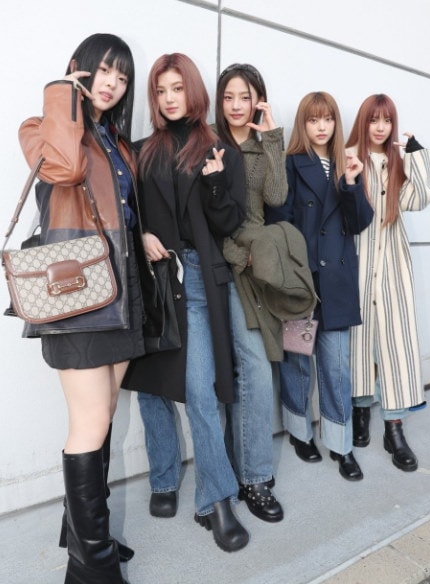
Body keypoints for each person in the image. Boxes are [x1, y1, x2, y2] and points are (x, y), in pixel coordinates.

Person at [18, 33, 143, 583]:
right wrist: (63, 96)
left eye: (122, 75)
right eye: (104, 70)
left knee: (105, 414)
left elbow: (125, 212)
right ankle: (90, 568)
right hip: (76, 295)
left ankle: (86, 532)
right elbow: (66, 170)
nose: (112, 83)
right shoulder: (42, 127)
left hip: (119, 290)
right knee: (89, 422)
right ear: (79, 69)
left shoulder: (115, 141)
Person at [122, 53, 249, 552]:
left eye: (177, 88)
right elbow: (125, 212)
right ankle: (164, 477)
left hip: (195, 279)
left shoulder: (220, 150)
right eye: (161, 90)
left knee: (199, 390)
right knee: (151, 385)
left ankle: (215, 500)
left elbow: (230, 223)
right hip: (153, 281)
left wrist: (215, 183)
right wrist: (141, 235)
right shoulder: (140, 151)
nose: (169, 98)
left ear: (192, 90)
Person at [265, 91, 373, 481]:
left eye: (327, 119)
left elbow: (359, 222)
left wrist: (351, 183)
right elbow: (278, 218)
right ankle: (299, 433)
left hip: (338, 283)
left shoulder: (348, 164)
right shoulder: (292, 163)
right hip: (302, 284)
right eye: (313, 120)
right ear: (303, 124)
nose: (321, 126)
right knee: (297, 362)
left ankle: (341, 445)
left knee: (337, 368)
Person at [345, 94, 430, 471]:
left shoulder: (399, 163)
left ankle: (394, 428)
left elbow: (422, 197)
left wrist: (415, 154)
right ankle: (360, 410)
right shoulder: (349, 157)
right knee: (357, 344)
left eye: (387, 120)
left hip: (393, 266)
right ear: (364, 122)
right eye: (374, 119)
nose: (381, 127)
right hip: (356, 262)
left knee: (395, 346)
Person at [213, 63, 287, 522]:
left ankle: (251, 473)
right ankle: (252, 475)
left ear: (258, 100)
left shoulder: (263, 145)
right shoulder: (210, 144)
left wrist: (272, 137)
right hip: (222, 265)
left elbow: (276, 197)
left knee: (255, 369)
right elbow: (204, 215)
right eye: (229, 97)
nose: (237, 106)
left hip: (254, 271)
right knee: (242, 372)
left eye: (245, 97)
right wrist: (238, 256)